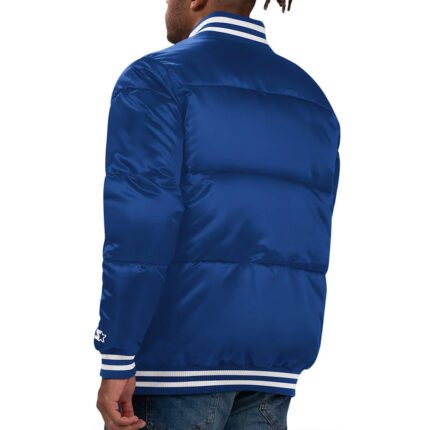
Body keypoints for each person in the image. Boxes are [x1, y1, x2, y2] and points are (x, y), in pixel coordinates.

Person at [94, 0, 341, 429]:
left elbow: (141, 224)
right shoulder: (311, 98)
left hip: (178, 362)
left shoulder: (156, 79)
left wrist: (116, 353)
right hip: (273, 364)